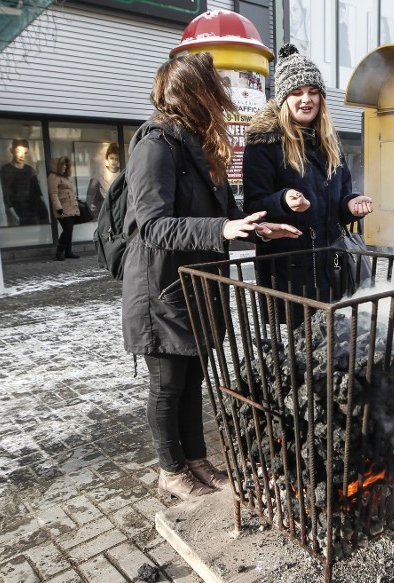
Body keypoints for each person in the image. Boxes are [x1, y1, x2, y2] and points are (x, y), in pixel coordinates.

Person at [121, 52, 301, 502]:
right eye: (213, 96)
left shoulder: (197, 144)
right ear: (192, 95)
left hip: (196, 285)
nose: (221, 106)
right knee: (168, 386)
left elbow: (221, 215)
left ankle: (196, 461)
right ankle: (170, 469)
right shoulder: (155, 145)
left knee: (194, 380)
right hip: (160, 291)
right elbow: (153, 225)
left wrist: (258, 225)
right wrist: (220, 229)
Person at [242, 43, 373, 310]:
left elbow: (341, 198)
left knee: (337, 338)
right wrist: (282, 201)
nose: (306, 99)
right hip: (290, 273)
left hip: (333, 263)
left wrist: (351, 205)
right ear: (283, 99)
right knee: (298, 346)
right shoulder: (264, 144)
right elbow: (253, 207)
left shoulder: (330, 143)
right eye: (297, 92)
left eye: (313, 92)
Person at [0, 139, 48, 226]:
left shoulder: (29, 170)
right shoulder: (6, 170)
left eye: (25, 152)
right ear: (12, 151)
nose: (22, 155)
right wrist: (13, 214)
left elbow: (37, 192)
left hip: (32, 210)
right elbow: (6, 194)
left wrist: (43, 211)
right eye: (19, 151)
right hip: (17, 211)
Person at [47, 156, 81, 260]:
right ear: (57, 166)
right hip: (62, 208)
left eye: (66, 165)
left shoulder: (65, 177)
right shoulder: (53, 177)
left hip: (71, 207)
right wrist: (58, 208)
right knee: (67, 229)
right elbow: (53, 193)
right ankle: (59, 252)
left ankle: (68, 252)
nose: (65, 167)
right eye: (63, 165)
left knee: (69, 230)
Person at [86, 142, 121, 218]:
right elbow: (91, 192)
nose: (114, 161)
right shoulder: (100, 173)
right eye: (111, 158)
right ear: (107, 158)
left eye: (116, 159)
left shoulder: (121, 173)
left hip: (118, 205)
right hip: (103, 205)